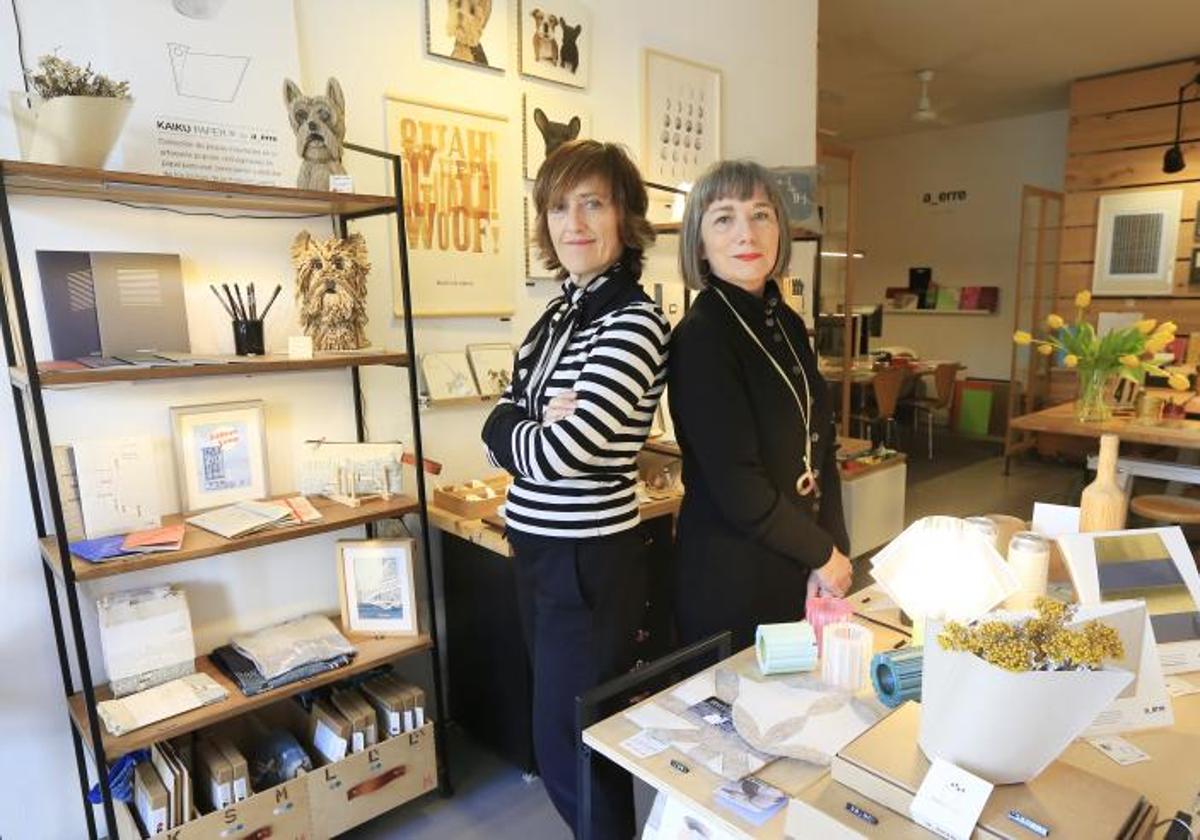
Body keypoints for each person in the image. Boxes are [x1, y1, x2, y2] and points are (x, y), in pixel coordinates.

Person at [481, 139, 671, 838]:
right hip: (535, 545)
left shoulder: (636, 321)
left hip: (586, 556)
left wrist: (523, 426)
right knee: (568, 735)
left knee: (573, 745)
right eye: (559, 206)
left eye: (593, 202)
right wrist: (523, 422)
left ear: (626, 217)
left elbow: (570, 449)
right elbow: (498, 418)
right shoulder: (554, 322)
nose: (575, 223)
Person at [668, 159, 852, 650]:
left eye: (761, 214)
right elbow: (737, 485)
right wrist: (821, 552)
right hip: (732, 577)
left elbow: (821, 447)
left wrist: (831, 549)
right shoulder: (701, 336)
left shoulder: (788, 324)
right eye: (724, 218)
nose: (746, 233)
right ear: (699, 243)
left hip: (795, 561)